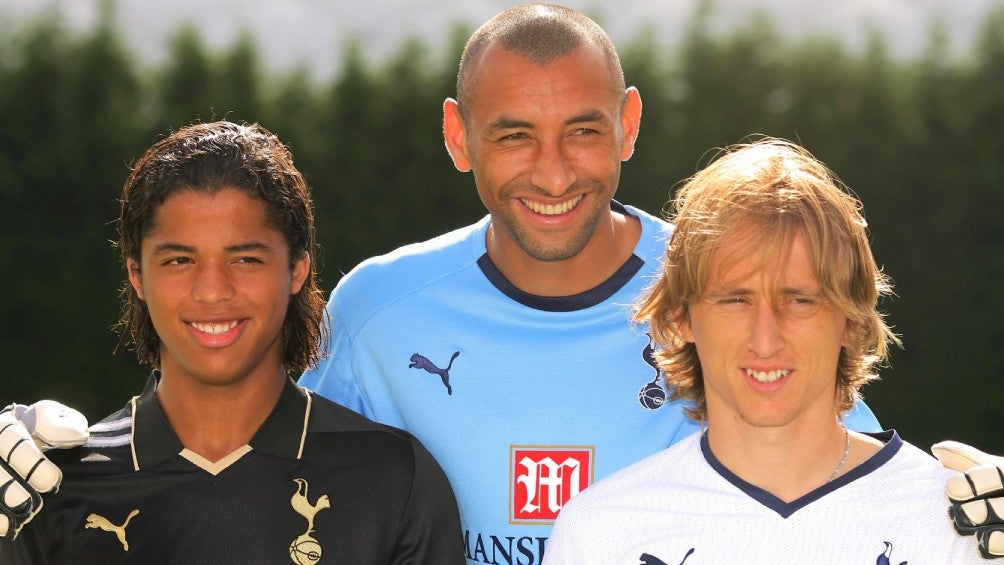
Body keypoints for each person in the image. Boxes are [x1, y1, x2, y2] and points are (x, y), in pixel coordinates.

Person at [1, 3, 1001, 562]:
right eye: (512, 134)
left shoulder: (714, 276)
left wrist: (974, 501)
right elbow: (242, 457)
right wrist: (66, 450)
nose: (553, 171)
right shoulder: (381, 307)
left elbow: (858, 478)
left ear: (630, 124)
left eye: (583, 130)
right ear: (455, 137)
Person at [0, 121, 464, 563]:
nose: (212, 290)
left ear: (297, 269)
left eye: (244, 259)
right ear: (137, 275)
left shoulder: (395, 479)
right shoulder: (45, 488)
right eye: (180, 261)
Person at [542, 138, 985, 563]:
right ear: (682, 317)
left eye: (799, 300)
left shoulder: (959, 522)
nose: (766, 340)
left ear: (852, 321)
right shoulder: (602, 532)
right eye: (735, 299)